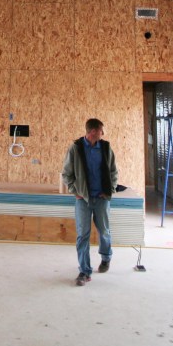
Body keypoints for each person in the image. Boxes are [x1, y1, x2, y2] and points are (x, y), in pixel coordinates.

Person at [61, 118, 118, 286]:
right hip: (83, 200)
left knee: (104, 231)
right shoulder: (76, 148)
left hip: (101, 199)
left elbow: (114, 171)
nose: (103, 133)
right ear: (93, 132)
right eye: (101, 130)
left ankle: (106, 257)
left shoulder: (106, 148)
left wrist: (110, 189)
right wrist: (75, 191)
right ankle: (84, 271)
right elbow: (66, 174)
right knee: (83, 235)